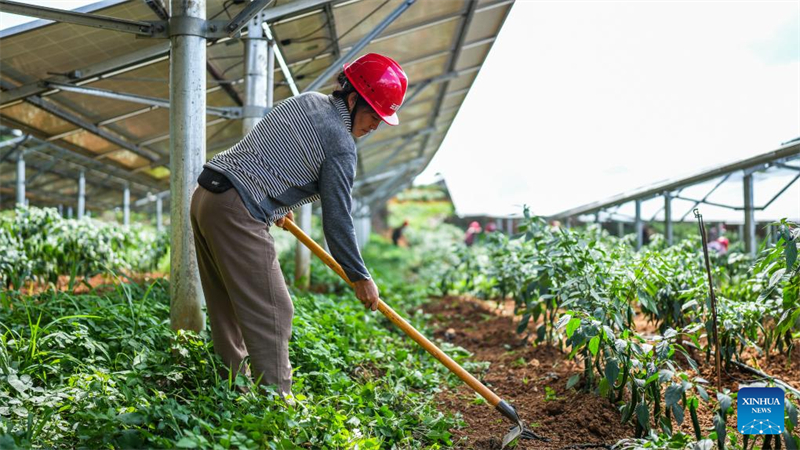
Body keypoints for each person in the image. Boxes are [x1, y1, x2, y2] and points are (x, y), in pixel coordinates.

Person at [189, 53, 408, 401]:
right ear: (352, 100)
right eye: (372, 115)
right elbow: (338, 220)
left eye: (382, 120)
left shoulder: (308, 101)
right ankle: (277, 408)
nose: (374, 126)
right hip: (235, 209)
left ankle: (232, 391)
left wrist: (275, 202)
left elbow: (275, 153)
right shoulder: (341, 144)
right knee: (276, 310)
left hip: (206, 196)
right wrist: (360, 277)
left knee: (226, 306)